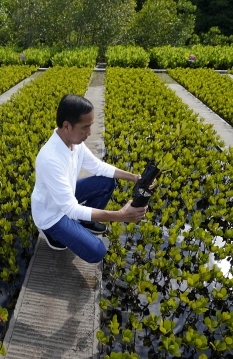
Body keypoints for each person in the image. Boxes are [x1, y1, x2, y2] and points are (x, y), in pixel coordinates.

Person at [31, 94, 148, 263]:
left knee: (107, 181)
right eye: (85, 128)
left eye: (90, 126)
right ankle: (51, 233)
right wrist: (120, 215)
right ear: (66, 126)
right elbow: (71, 209)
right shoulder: (50, 158)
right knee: (97, 252)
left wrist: (134, 178)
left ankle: (83, 223)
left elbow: (98, 167)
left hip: (66, 198)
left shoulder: (74, 142)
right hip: (52, 215)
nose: (89, 133)